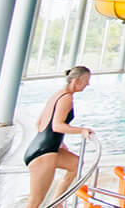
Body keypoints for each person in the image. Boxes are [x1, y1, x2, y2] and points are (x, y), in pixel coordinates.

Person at [24, 66, 94, 208]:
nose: (88, 84)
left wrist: (60, 143)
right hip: (43, 153)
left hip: (46, 147)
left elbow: (39, 123)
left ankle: (57, 203)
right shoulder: (66, 99)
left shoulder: (58, 94)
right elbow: (57, 126)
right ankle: (56, 203)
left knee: (76, 164)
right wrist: (82, 130)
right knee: (35, 202)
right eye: (86, 80)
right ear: (77, 80)